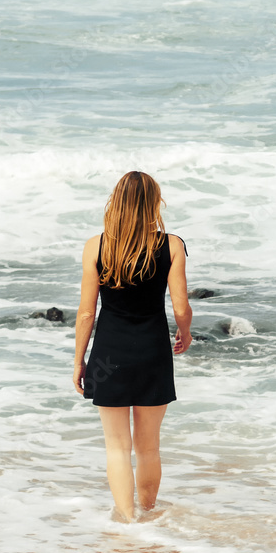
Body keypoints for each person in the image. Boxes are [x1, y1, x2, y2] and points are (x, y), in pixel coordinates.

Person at [72, 170, 191, 523]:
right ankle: (149, 514)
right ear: (154, 202)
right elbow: (181, 306)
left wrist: (79, 360)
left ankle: (127, 522)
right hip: (153, 350)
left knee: (117, 448)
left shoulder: (97, 245)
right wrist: (184, 332)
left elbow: (85, 313)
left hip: (108, 354)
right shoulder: (171, 245)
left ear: (116, 202)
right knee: (149, 446)